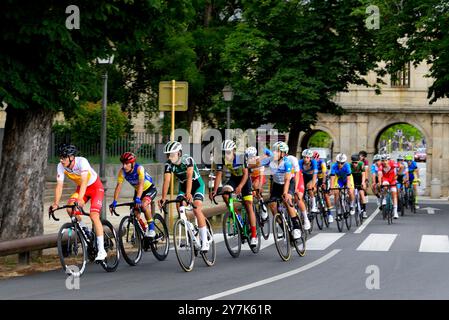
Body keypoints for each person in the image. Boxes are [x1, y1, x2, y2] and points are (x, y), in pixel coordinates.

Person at [50, 144, 107, 261]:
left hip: (95, 188)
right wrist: (55, 203)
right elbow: (59, 186)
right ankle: (85, 229)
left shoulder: (82, 162)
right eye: (60, 157)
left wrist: (80, 199)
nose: (61, 160)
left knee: (94, 215)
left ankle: (102, 250)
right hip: (82, 189)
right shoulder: (60, 166)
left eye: (64, 157)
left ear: (71, 157)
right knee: (70, 209)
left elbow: (85, 181)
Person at [159, 141, 210, 252]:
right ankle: (190, 227)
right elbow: (167, 180)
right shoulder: (168, 165)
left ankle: (205, 241)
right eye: (168, 155)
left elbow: (189, 176)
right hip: (183, 186)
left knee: (196, 208)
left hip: (197, 185)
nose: (170, 157)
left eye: (172, 154)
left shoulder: (188, 160)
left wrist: (188, 193)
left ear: (179, 153)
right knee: (179, 205)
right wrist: (163, 197)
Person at [211, 140, 258, 247]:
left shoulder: (240, 158)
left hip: (245, 180)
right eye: (224, 152)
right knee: (225, 194)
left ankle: (254, 235)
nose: (226, 155)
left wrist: (240, 187)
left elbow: (246, 174)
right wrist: (214, 191)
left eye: (228, 152)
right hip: (234, 179)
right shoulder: (222, 159)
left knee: (248, 204)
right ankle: (236, 216)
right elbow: (218, 174)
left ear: (234, 151)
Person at [260, 142, 303, 239]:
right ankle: (284, 229)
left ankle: (296, 228)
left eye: (277, 151)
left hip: (288, 183)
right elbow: (257, 164)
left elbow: (287, 179)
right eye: (274, 151)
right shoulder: (271, 160)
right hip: (277, 185)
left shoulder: (287, 162)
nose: (274, 153)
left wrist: (285, 193)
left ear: (283, 154)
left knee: (287, 201)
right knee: (272, 206)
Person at [110, 152, 157, 237]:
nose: (124, 166)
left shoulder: (139, 169)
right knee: (135, 212)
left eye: (126, 164)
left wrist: (138, 198)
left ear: (132, 163)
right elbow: (118, 187)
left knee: (143, 205)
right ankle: (144, 229)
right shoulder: (122, 172)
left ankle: (152, 228)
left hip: (149, 189)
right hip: (138, 191)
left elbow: (141, 184)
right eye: (123, 163)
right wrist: (114, 201)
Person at [246, 146, 269, 221]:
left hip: (259, 177)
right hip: (251, 177)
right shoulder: (246, 161)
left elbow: (261, 176)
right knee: (251, 193)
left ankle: (262, 204)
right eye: (248, 157)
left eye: (251, 157)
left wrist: (259, 187)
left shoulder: (259, 161)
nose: (250, 159)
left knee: (256, 186)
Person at [329, 153, 356, 217]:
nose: (340, 164)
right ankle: (338, 211)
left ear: (344, 162)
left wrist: (348, 186)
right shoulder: (334, 166)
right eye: (338, 162)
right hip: (339, 179)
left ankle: (352, 205)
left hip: (347, 179)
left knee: (350, 191)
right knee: (336, 192)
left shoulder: (347, 166)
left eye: (342, 163)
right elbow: (332, 178)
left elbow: (349, 178)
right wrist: (331, 188)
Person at [313, 151, 333, 222]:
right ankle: (315, 203)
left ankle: (330, 214)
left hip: (323, 178)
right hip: (315, 178)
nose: (314, 161)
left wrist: (324, 182)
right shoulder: (311, 162)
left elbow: (324, 173)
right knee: (313, 189)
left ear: (318, 158)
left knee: (325, 194)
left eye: (315, 159)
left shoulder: (322, 162)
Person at [378, 154, 399, 219]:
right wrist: (380, 183)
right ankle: (384, 198)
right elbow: (379, 175)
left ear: (388, 160)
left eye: (385, 160)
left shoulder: (392, 163)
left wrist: (397, 175)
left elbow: (401, 166)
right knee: (385, 186)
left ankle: (395, 212)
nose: (384, 162)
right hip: (385, 179)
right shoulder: (380, 166)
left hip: (392, 180)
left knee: (394, 194)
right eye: (383, 161)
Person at [299, 149, 319, 213]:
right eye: (304, 157)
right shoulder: (300, 162)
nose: (305, 159)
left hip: (312, 177)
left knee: (310, 187)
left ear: (310, 158)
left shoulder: (314, 162)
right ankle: (305, 208)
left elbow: (315, 175)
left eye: (307, 157)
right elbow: (298, 174)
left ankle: (314, 205)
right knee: (301, 193)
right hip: (303, 177)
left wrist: (313, 185)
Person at [350, 154, 367, 218]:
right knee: (351, 193)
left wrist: (363, 182)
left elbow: (363, 175)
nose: (354, 164)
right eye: (353, 162)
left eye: (356, 163)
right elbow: (348, 177)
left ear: (358, 161)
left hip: (360, 179)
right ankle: (352, 205)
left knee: (362, 194)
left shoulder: (361, 164)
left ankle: (364, 211)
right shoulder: (349, 166)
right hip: (353, 179)